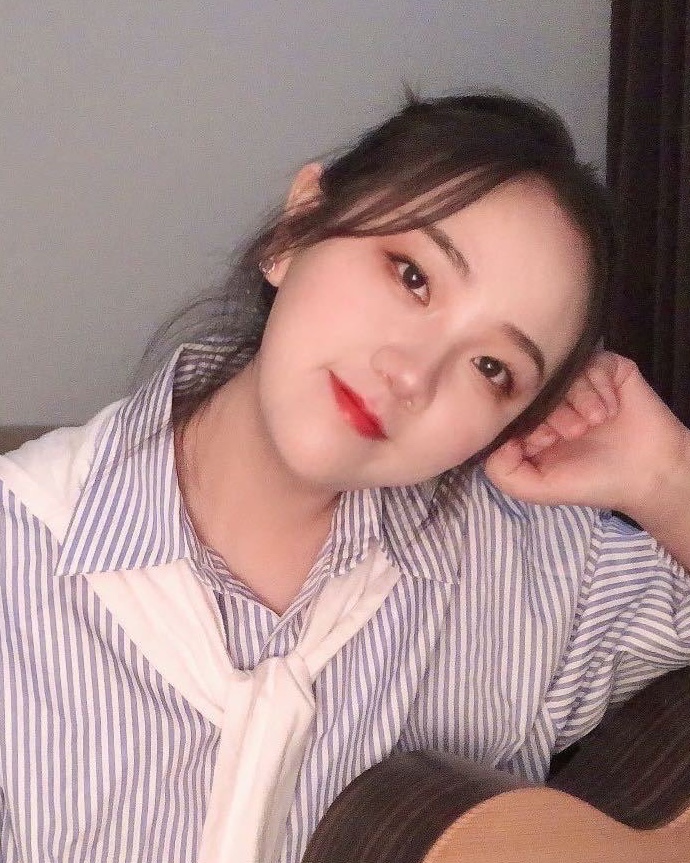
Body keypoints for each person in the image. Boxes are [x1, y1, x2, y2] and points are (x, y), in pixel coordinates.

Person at [0, 92, 688, 863]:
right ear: (296, 228)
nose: (411, 374)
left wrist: (666, 476)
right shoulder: (16, 561)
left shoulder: (528, 575)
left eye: (492, 368)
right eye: (412, 275)